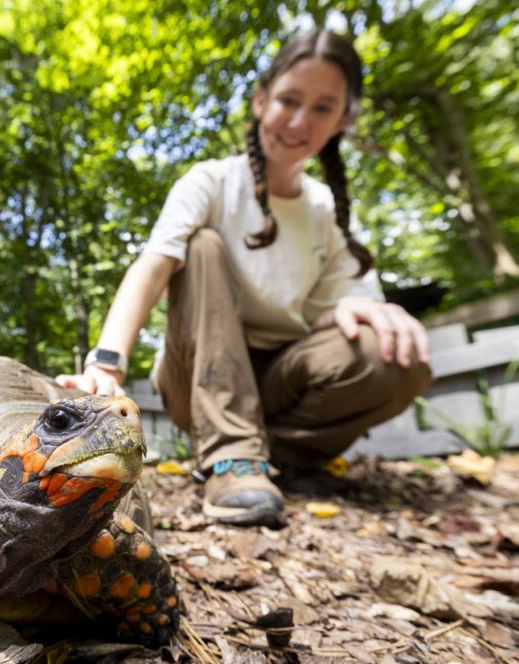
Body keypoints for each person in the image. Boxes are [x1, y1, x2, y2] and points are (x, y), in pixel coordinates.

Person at [56, 29, 432, 527]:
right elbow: (153, 266)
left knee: (392, 356)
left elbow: (345, 312)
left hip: (281, 375)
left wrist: (355, 308)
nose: (300, 121)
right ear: (261, 101)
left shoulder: (326, 209)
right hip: (199, 375)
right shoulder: (210, 182)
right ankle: (230, 454)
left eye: (323, 108)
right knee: (202, 246)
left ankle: (285, 457)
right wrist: (107, 364)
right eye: (289, 101)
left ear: (342, 120)